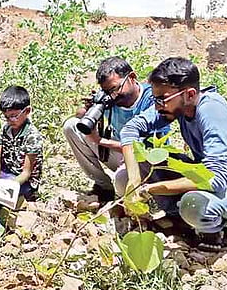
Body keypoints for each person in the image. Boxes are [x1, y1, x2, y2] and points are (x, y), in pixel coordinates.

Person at [120, 57, 227, 251]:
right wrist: (134, 180)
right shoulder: (175, 108)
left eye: (161, 99)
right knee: (124, 176)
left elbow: (215, 179)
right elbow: (130, 131)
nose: (157, 105)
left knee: (193, 204)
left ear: (189, 94)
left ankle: (214, 233)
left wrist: (150, 189)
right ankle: (179, 220)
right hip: (202, 174)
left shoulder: (213, 113)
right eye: (155, 99)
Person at [63, 56, 169, 201]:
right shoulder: (111, 98)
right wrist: (91, 108)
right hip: (119, 154)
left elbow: (145, 151)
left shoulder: (152, 99)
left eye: (115, 88)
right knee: (71, 126)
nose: (113, 95)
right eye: (107, 91)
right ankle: (103, 187)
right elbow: (80, 117)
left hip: (146, 162)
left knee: (121, 180)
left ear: (132, 77)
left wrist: (100, 141)